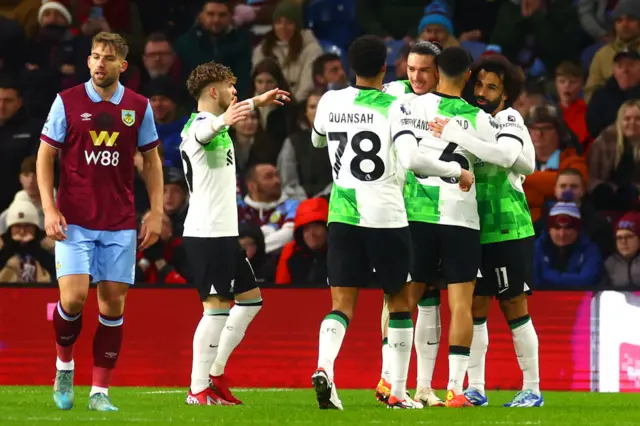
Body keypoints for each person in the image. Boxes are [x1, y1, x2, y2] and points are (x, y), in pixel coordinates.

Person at [310, 35, 473, 411]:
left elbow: (319, 141)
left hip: (342, 214)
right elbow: (413, 160)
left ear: (351, 65)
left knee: (341, 304)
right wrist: (456, 171)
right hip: (387, 216)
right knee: (400, 302)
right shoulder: (396, 106)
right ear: (386, 68)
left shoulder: (330, 100)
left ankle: (324, 367)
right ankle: (398, 392)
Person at [37, 32, 164, 412]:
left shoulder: (138, 107)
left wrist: (156, 211)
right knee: (73, 298)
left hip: (119, 221)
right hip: (74, 219)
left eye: (107, 58)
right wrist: (48, 208)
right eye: (94, 56)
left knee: (112, 306)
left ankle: (99, 393)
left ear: (122, 65)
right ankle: (64, 366)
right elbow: (45, 156)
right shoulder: (67, 102)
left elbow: (152, 161)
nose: (98, 64)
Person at [393, 46, 501, 408]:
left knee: (407, 300)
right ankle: (455, 388)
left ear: (436, 71)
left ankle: (397, 383)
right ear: (469, 76)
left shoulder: (414, 105)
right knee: (461, 304)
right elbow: (489, 165)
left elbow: (408, 156)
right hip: (462, 218)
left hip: (418, 214)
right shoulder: (481, 118)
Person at [434, 55, 543, 407]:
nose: (481, 92)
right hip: (472, 227)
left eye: (491, 87)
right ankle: (475, 386)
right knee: (475, 306)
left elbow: (511, 158)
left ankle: (533, 388)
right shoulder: (468, 118)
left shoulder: (507, 118)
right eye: (478, 84)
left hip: (508, 227)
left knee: (514, 305)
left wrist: (459, 136)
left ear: (506, 94)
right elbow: (522, 163)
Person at [180, 61, 290, 406]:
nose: (235, 93)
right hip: (206, 232)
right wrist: (223, 120)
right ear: (214, 91)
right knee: (214, 308)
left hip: (224, 234)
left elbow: (221, 121)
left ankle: (214, 373)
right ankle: (197, 388)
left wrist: (260, 101)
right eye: (230, 86)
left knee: (250, 300)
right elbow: (204, 130)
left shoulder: (219, 126)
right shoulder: (199, 126)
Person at [377, 40, 447, 408]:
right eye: (411, 69)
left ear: (439, 71)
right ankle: (390, 378)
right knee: (403, 296)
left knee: (431, 298)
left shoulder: (451, 102)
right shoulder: (391, 97)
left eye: (424, 70)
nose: (416, 77)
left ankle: (422, 386)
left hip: (445, 213)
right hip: (405, 212)